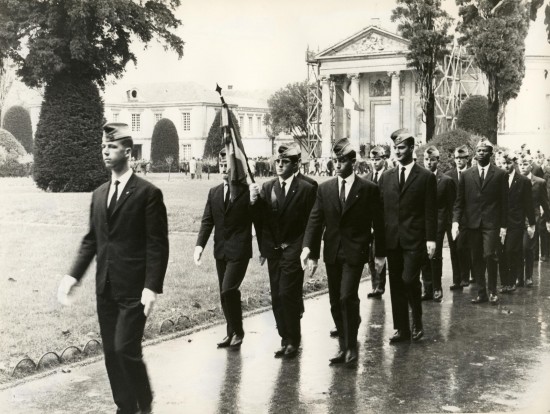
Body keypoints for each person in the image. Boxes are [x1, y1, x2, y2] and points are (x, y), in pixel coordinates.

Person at [57, 122, 169, 414]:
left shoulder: (148, 193)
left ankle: (143, 401)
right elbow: (91, 240)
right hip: (105, 287)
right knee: (110, 354)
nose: (106, 152)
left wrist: (151, 286)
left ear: (128, 151)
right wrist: (73, 276)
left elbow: (157, 244)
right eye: (104, 147)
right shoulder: (98, 194)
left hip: (134, 289)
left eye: (113, 147)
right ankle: (125, 407)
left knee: (125, 349)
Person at [301, 137, 386, 364]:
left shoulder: (368, 189)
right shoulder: (325, 188)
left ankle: (350, 347)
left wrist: (380, 254)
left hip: (355, 252)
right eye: (334, 161)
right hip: (332, 252)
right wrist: (309, 249)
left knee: (347, 296)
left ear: (353, 162)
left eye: (341, 161)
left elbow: (379, 223)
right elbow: (315, 220)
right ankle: (343, 343)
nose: (337, 165)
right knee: (335, 301)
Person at [249, 144, 316, 359]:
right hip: (274, 250)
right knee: (277, 295)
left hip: (294, 249)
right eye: (277, 161)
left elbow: (311, 223)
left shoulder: (305, 189)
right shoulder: (268, 188)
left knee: (288, 293)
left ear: (295, 164)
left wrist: (308, 250)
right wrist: (254, 201)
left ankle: (294, 340)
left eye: (285, 162)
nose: (279, 165)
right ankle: (284, 338)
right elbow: (261, 220)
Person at [378, 129, 437, 343]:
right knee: (395, 284)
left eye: (401, 147)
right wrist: (380, 244)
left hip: (415, 240)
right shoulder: (386, 177)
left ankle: (417, 320)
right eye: (395, 148)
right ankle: (401, 328)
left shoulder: (426, 177)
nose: (397, 152)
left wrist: (431, 240)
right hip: (393, 240)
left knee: (408, 279)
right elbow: (382, 210)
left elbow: (430, 212)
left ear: (412, 148)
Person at [194, 149, 253, 348]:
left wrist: (256, 200)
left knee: (229, 289)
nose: (223, 169)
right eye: (221, 165)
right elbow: (207, 221)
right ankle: (231, 332)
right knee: (223, 293)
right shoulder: (215, 192)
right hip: (221, 250)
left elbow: (260, 219)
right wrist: (199, 245)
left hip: (240, 251)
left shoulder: (246, 192)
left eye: (227, 165)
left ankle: (239, 331)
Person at [452, 138, 508, 305]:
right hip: (473, 224)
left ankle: (492, 291)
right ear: (474, 155)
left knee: (490, 255)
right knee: (476, 258)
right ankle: (481, 292)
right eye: (478, 151)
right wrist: (455, 222)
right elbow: (459, 201)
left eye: (484, 151)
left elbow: (504, 202)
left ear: (490, 154)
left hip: (492, 224)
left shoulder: (500, 174)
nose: (481, 153)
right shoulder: (467, 175)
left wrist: (503, 226)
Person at [420, 145, 456, 303]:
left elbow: (452, 205)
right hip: (422, 223)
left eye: (432, 160)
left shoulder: (446, 181)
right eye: (426, 159)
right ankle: (427, 288)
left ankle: (436, 288)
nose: (428, 162)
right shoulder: (419, 179)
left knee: (435, 256)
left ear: (438, 161)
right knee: (423, 257)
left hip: (439, 223)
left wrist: (450, 224)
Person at [498, 151, 535, 293]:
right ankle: (505, 282)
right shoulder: (498, 179)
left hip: (516, 223)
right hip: (500, 222)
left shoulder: (523, 181)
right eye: (503, 163)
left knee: (511, 251)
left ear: (514, 163)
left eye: (509, 163)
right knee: (501, 253)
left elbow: (528, 204)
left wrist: (531, 224)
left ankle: (512, 282)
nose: (506, 166)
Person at [519, 153, 550, 287]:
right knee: (518, 249)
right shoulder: (514, 180)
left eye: (525, 164)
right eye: (520, 164)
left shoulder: (539, 182)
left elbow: (545, 203)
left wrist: (548, 220)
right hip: (517, 219)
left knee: (528, 248)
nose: (522, 167)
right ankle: (519, 277)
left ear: (531, 166)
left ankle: (529, 276)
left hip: (532, 219)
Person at [446, 145, 475, 289]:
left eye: (462, 158)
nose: (459, 161)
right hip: (452, 219)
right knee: (453, 249)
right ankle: (457, 280)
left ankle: (466, 276)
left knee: (464, 247)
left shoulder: (472, 174)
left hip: (469, 218)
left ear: (467, 159)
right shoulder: (449, 175)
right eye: (456, 158)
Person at [363, 145, 388, 299]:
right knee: (370, 257)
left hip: (385, 224)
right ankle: (375, 286)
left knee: (380, 254)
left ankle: (381, 286)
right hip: (369, 223)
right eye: (372, 160)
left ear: (384, 160)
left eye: (377, 159)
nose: (374, 162)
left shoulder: (389, 177)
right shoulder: (366, 178)